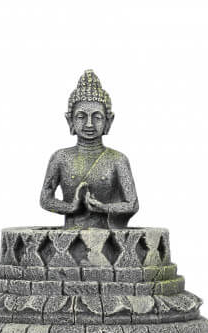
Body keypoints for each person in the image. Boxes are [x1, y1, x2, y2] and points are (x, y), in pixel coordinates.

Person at [40, 70, 139, 229]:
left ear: (108, 121)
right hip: (69, 235)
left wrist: (104, 208)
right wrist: (71, 207)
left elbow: (132, 204)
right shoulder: (60, 157)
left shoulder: (117, 160)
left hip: (107, 235)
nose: (89, 124)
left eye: (97, 117)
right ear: (70, 120)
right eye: (81, 117)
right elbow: (45, 199)